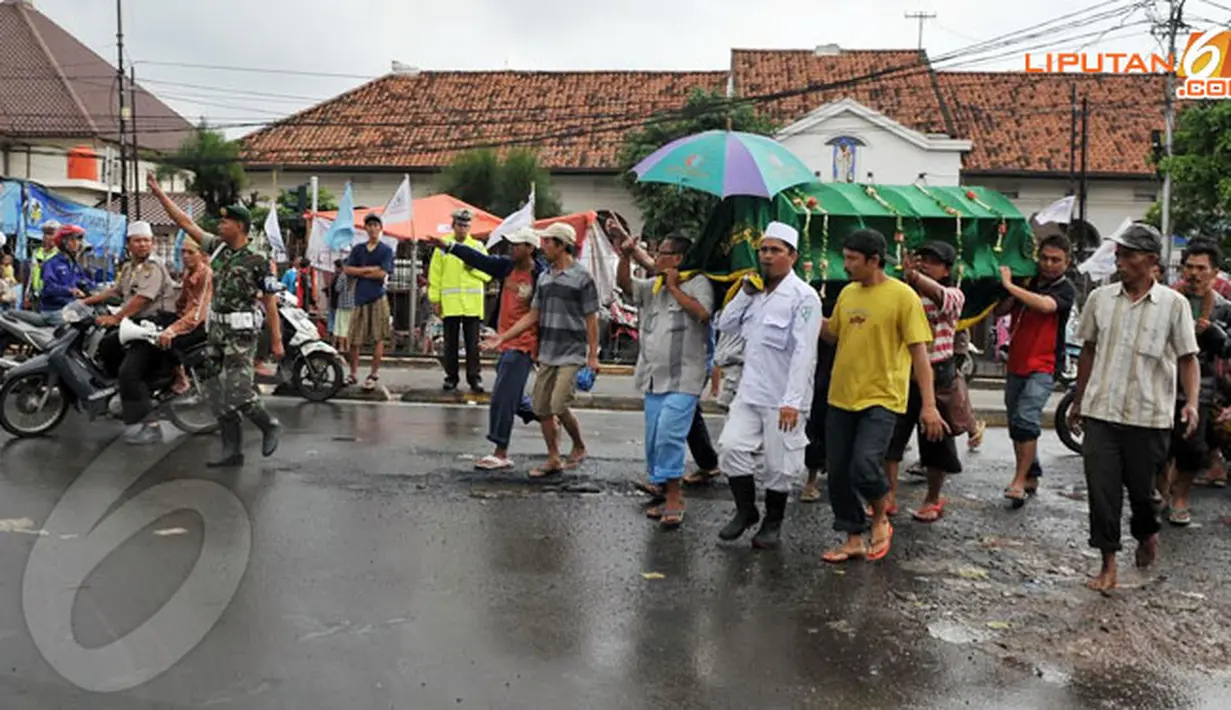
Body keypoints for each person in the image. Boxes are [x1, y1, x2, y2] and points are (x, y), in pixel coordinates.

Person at [1068, 223, 1200, 591]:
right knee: (1102, 491)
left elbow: (1188, 358)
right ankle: (1108, 563)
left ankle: (1147, 532)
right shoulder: (1100, 300)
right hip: (1101, 413)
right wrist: (1079, 400)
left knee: (1143, 495)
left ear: (1151, 261)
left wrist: (1191, 403)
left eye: (1128, 254)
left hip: (1150, 416)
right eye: (1119, 253)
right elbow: (1089, 351)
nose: (1119, 260)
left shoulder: (1174, 305)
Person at [820, 229, 946, 564]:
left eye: (851, 259)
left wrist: (929, 406)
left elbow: (920, 355)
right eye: (844, 257)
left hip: (883, 397)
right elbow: (832, 334)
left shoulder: (903, 297)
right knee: (838, 471)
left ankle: (879, 518)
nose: (845, 266)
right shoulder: (847, 293)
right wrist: (801, 307)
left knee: (864, 463)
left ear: (874, 261)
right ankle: (852, 538)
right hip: (841, 395)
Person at [147, 175, 284, 466]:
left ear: (240, 227)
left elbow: (270, 301)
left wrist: (276, 341)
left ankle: (267, 424)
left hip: (242, 336)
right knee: (212, 389)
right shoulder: (217, 249)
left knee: (238, 390)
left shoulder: (258, 259)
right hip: (216, 332)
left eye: (225, 223)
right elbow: (185, 223)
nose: (219, 227)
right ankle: (231, 450)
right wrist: (159, 194)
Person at [714, 222, 822, 549]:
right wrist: (745, 294)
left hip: (784, 398)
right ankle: (746, 511)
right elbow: (726, 324)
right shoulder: (755, 294)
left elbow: (804, 352)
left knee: (780, 466)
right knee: (731, 449)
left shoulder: (804, 297)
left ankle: (773, 522)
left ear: (792, 256)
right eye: (763, 249)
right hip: (750, 392)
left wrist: (792, 400)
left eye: (776, 250)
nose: (767, 256)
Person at [482, 222, 599, 478]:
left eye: (547, 242)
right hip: (548, 350)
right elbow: (532, 315)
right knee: (541, 407)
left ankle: (578, 444)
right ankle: (554, 458)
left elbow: (591, 318)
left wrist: (592, 355)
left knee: (557, 404)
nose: (542, 246)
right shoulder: (544, 277)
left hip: (572, 350)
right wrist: (502, 337)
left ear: (561, 245)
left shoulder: (582, 277)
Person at [424, 227, 544, 470]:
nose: (512, 248)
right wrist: (449, 247)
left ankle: (500, 452)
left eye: (517, 245)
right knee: (513, 396)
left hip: (524, 344)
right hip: (504, 340)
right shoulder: (506, 267)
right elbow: (478, 259)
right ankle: (548, 415)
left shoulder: (542, 275)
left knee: (502, 396)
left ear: (530, 248)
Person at [617, 231, 714, 528]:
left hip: (685, 377)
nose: (656, 257)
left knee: (670, 434)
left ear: (679, 259)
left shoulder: (698, 282)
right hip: (653, 377)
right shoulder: (653, 286)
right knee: (654, 438)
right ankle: (661, 486)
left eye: (663, 253)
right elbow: (626, 286)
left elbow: (702, 313)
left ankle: (675, 497)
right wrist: (625, 255)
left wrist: (674, 288)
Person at [884, 241, 972, 523]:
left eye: (933, 262)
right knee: (891, 438)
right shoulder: (903, 294)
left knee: (935, 441)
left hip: (938, 372)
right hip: (902, 371)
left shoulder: (954, 294)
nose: (925, 265)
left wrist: (915, 277)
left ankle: (933, 498)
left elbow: (942, 299)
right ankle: (888, 497)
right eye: (922, 259)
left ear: (946, 270)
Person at [82, 220, 179, 444]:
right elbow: (116, 290)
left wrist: (116, 318)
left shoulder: (153, 267)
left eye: (147, 241)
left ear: (153, 243)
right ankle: (124, 396)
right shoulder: (129, 267)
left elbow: (142, 298)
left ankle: (152, 425)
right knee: (107, 347)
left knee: (129, 373)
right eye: (138, 241)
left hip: (154, 325)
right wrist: (86, 301)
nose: (143, 245)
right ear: (129, 244)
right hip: (136, 325)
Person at [997, 233, 1076, 504]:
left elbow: (1045, 306)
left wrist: (1010, 285)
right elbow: (1001, 311)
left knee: (1027, 417)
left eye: (1056, 260)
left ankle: (1018, 481)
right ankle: (1031, 472)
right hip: (1016, 362)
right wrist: (1010, 287)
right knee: (1016, 422)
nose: (1049, 264)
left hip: (1044, 365)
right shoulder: (1027, 282)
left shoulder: (1066, 289)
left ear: (1067, 262)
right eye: (1044, 258)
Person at [1159, 240, 1231, 526]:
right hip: (1162, 380)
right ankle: (1161, 492)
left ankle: (1181, 497)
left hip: (1202, 385)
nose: (1194, 274)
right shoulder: (1165, 299)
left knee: (1191, 446)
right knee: (1158, 445)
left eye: (1201, 268)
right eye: (1189, 267)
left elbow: (1228, 348)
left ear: (1214, 274)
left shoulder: (1224, 308)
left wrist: (1214, 333)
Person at [429, 209, 492, 393]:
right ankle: (451, 377)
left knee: (473, 345)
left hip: (472, 304)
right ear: (453, 226)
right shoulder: (443, 247)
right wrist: (435, 299)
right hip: (451, 303)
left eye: (466, 225)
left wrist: (473, 268)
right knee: (450, 344)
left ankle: (474, 378)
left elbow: (488, 273)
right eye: (460, 224)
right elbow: (435, 275)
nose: (463, 228)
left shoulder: (478, 247)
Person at [157, 237, 214, 395]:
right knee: (153, 324)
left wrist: (173, 329)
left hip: (200, 323)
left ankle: (181, 377)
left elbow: (198, 311)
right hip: (187, 317)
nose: (185, 256)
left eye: (190, 252)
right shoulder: (188, 272)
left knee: (167, 340)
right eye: (183, 251)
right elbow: (182, 301)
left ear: (201, 255)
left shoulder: (205, 274)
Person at [345, 213, 395, 390]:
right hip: (360, 297)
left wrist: (362, 271)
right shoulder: (358, 249)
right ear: (365, 228)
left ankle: (373, 373)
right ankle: (352, 373)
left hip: (377, 296)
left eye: (376, 225)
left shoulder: (386, 250)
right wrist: (368, 270)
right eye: (369, 225)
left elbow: (383, 273)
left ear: (380, 228)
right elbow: (348, 269)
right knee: (354, 338)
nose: (373, 228)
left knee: (378, 336)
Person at [39, 225, 94, 325]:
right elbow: (49, 288)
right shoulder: (51, 264)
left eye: (78, 240)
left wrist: (100, 289)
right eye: (72, 240)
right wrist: (70, 291)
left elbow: (85, 281)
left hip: (71, 307)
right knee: (82, 325)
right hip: (54, 310)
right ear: (63, 242)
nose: (77, 243)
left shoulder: (75, 265)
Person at [24, 221, 60, 310]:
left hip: (53, 299)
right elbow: (31, 276)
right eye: (47, 234)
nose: (50, 237)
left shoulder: (61, 254)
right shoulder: (36, 253)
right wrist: (27, 294)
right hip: (36, 296)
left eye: (52, 233)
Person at [330, 258, 355, 364]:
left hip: (342, 304)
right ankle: (347, 346)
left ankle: (341, 347)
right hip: (352, 304)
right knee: (348, 327)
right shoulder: (354, 276)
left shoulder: (343, 276)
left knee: (340, 326)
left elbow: (337, 288)